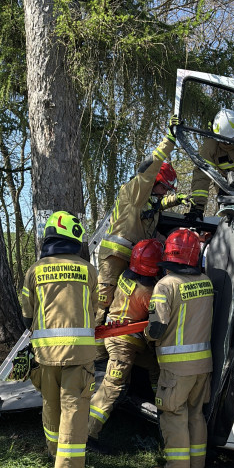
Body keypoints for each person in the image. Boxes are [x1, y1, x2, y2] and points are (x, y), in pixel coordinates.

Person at [21, 211, 98, 468]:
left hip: (44, 354)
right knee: (74, 410)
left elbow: (27, 315)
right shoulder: (89, 270)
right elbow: (96, 309)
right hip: (79, 355)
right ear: (76, 239)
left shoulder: (34, 271)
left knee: (51, 405)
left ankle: (55, 455)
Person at [96, 115, 190, 323]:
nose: (164, 193)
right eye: (164, 187)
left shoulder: (149, 202)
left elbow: (155, 212)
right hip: (114, 258)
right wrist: (168, 142)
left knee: (120, 306)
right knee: (101, 306)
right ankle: (90, 349)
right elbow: (150, 168)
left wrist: (177, 200)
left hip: (133, 260)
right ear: (154, 181)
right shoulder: (135, 193)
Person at [145, 228, 214, 468]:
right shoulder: (205, 282)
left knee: (174, 416)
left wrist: (145, 332)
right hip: (203, 365)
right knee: (196, 415)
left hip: (176, 368)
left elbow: (157, 329)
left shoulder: (166, 285)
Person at [88, 239, 164, 446]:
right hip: (124, 343)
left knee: (155, 366)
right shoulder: (148, 293)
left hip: (111, 333)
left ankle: (160, 407)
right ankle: (88, 433)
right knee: (112, 386)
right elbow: (155, 326)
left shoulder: (124, 276)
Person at [187, 108, 234, 220]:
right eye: (224, 140)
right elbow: (201, 175)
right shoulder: (210, 147)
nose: (228, 143)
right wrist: (198, 207)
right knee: (230, 221)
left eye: (233, 138)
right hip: (228, 188)